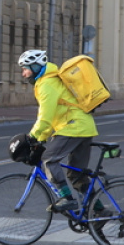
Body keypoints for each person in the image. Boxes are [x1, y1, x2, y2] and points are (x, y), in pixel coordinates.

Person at [18, 49, 98, 212]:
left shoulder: (47, 84)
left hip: (73, 127)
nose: (23, 74)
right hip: (84, 127)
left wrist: (32, 137)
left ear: (35, 67)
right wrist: (42, 137)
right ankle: (100, 211)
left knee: (48, 159)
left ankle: (66, 198)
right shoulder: (51, 80)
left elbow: (45, 118)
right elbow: (52, 118)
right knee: (77, 175)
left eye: (25, 69)